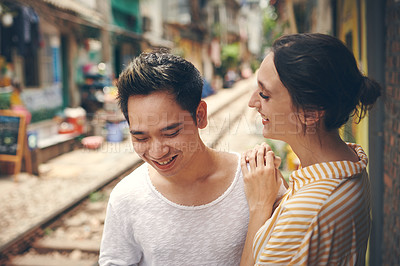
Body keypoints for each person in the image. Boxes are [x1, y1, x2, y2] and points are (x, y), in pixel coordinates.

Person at [99, 51, 285, 266]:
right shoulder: (126, 198)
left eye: (170, 133)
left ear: (200, 116)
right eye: (140, 137)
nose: (157, 152)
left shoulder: (258, 180)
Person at [239, 33, 381, 265]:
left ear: (311, 112)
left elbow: (306, 219)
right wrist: (282, 193)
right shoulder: (353, 163)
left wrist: (259, 205)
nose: (253, 102)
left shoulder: (303, 215)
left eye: (265, 94)